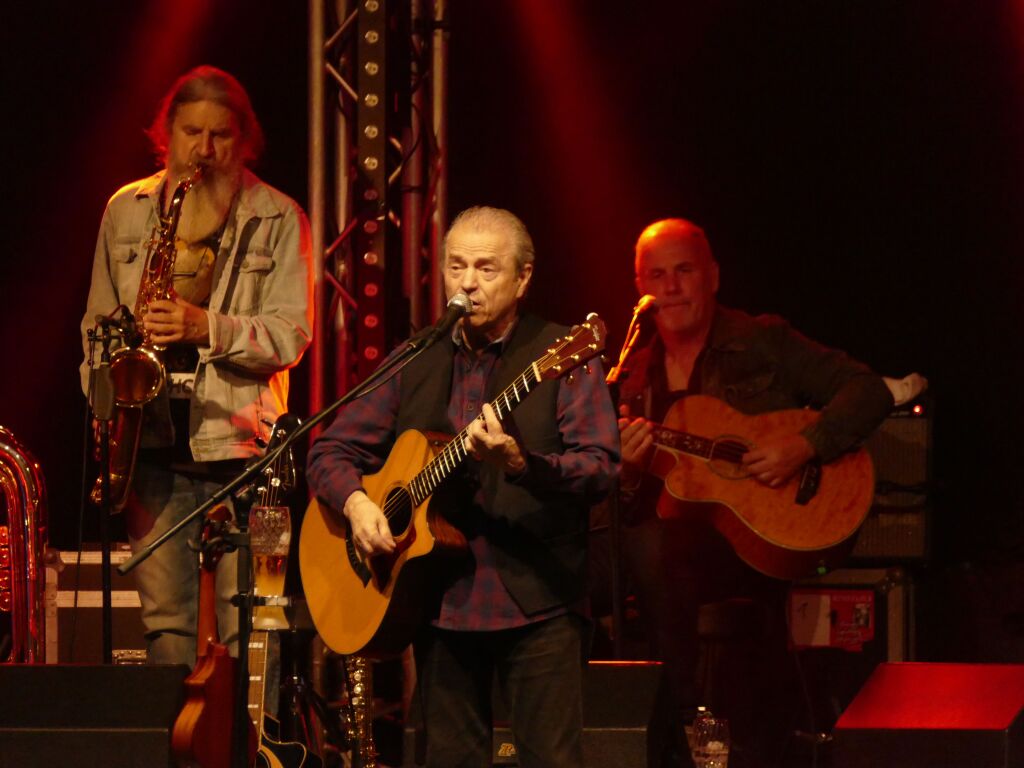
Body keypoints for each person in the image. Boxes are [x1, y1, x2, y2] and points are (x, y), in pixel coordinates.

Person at [306, 206, 620, 768]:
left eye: (486, 268)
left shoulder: (563, 356)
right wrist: (356, 505)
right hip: (438, 601)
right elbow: (330, 449)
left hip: (537, 600)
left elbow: (600, 467)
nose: (468, 283)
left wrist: (523, 462)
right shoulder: (415, 357)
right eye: (456, 267)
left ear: (523, 278)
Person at [615, 218, 893, 767]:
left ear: (713, 276)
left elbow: (869, 390)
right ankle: (638, 730)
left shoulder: (762, 340)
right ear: (640, 291)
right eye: (656, 276)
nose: (669, 288)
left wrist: (805, 445)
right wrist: (625, 473)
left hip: (763, 539)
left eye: (684, 271)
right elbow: (628, 504)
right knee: (623, 549)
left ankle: (684, 731)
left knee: (651, 549)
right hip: (674, 554)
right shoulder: (630, 380)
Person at [80, 65, 314, 666]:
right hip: (150, 449)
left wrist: (204, 326)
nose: (204, 151)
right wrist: (110, 412)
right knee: (167, 630)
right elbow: (96, 329)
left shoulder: (280, 217)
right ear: (166, 135)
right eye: (191, 133)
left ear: (245, 140)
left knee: (254, 625)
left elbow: (290, 336)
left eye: (221, 136)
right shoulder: (126, 211)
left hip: (244, 455)